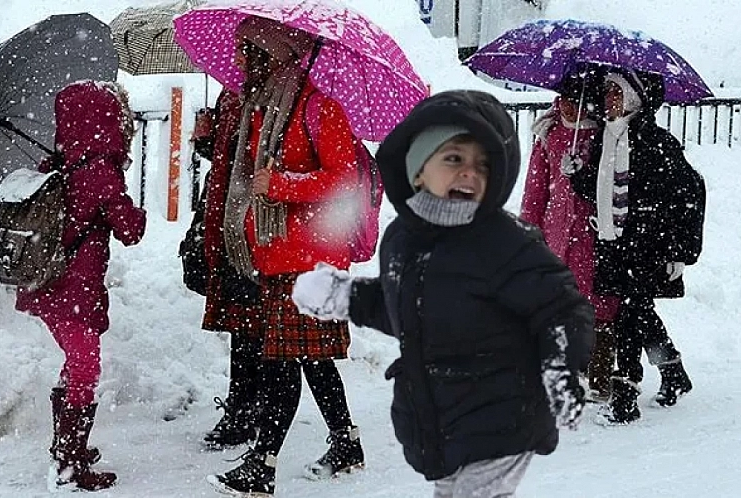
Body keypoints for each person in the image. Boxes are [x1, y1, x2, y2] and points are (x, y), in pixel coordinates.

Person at [292, 90, 595, 498]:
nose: (469, 172)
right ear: (418, 168)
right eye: (454, 159)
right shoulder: (403, 238)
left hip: (503, 412)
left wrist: (561, 365)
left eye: (482, 164)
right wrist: (345, 297)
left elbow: (561, 308)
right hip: (445, 416)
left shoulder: (506, 243)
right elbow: (407, 308)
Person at [207, 16, 365, 497]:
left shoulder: (319, 108)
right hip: (280, 256)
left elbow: (345, 182)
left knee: (280, 361)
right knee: (311, 359)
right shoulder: (266, 109)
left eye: (245, 53)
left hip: (312, 261)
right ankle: (346, 442)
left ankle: (262, 465)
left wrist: (279, 185)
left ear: (272, 55)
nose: (237, 63)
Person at [15, 80, 146, 491]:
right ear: (108, 121)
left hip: (48, 284)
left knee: (75, 363)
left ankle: (66, 449)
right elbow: (130, 231)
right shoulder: (100, 172)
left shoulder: (56, 164)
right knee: (86, 368)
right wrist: (134, 210)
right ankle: (70, 464)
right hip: (75, 288)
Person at [567, 68, 706, 425]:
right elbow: (597, 190)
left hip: (647, 244)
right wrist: (576, 173)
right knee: (638, 311)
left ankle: (625, 394)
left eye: (615, 92)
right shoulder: (604, 139)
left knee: (629, 316)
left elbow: (688, 195)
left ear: (633, 98)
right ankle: (673, 369)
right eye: (606, 92)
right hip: (611, 242)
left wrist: (680, 251)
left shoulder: (656, 142)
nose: (607, 98)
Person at [520, 69, 621, 401]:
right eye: (562, 98)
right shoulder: (549, 134)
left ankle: (600, 371)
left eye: (573, 100)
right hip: (556, 234)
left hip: (594, 236)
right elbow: (535, 191)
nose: (565, 107)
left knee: (599, 304)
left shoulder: (607, 136)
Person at [188, 88, 264, 450]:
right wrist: (207, 134)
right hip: (229, 220)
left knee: (252, 323)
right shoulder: (231, 95)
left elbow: (250, 157)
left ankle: (246, 411)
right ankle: (246, 407)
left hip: (250, 222)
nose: (235, 56)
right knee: (243, 324)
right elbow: (222, 156)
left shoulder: (263, 97)